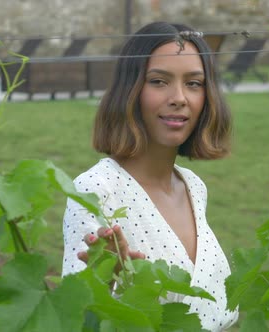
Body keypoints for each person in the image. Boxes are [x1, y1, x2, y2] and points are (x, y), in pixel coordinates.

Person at [62, 21, 238, 331]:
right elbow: (76, 319)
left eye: (194, 84)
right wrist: (104, 282)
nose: (179, 97)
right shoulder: (96, 189)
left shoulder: (193, 186)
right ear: (130, 90)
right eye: (159, 81)